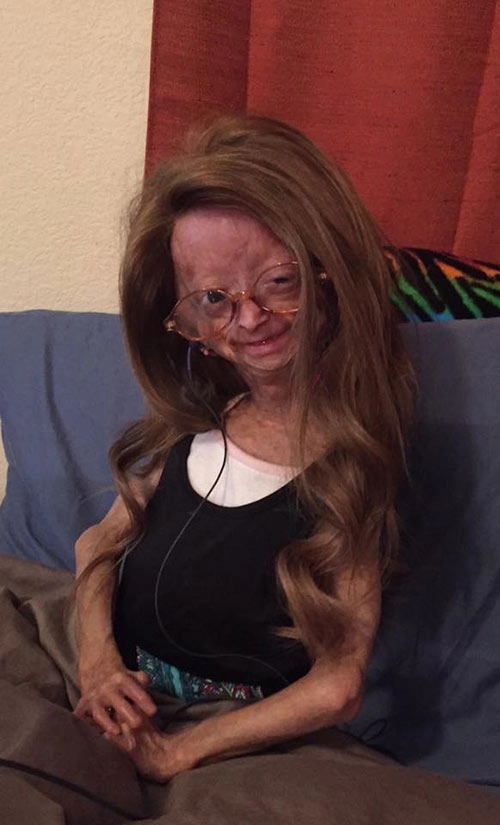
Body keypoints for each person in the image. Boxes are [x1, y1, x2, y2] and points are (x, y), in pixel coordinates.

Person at [73, 114, 415, 783]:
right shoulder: (195, 427)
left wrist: (180, 752)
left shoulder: (348, 468)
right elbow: (96, 545)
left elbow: (339, 684)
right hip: (115, 689)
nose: (251, 318)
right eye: (214, 298)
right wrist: (98, 664)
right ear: (187, 318)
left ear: (328, 275)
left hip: (229, 739)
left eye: (279, 282)